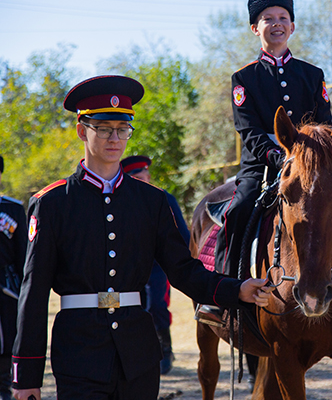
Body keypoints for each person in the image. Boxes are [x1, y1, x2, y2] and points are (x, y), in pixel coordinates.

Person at [11, 75, 273, 400]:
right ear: (82, 130)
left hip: (138, 354)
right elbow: (33, 292)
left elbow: (183, 271)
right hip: (79, 353)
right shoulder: (52, 203)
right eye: (104, 129)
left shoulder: (152, 201)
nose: (115, 138)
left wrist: (238, 290)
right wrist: (26, 376)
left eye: (123, 130)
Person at [214, 0, 332, 278]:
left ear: (292, 26)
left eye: (283, 17)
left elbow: (326, 124)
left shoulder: (312, 74)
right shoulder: (243, 78)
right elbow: (248, 129)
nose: (276, 24)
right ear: (255, 28)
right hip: (262, 166)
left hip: (311, 163)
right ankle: (222, 293)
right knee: (237, 211)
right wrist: (277, 157)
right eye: (268, 18)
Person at [121, 155, 188, 375]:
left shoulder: (164, 198)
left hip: (158, 264)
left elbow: (182, 234)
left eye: (144, 176)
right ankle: (140, 352)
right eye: (136, 178)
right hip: (129, 265)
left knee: (156, 306)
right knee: (134, 308)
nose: (142, 180)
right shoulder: (121, 198)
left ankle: (165, 349)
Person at [0, 157, 27, 400]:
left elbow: (23, 254)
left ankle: (4, 385)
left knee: (9, 335)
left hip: (7, 286)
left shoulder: (13, 209)